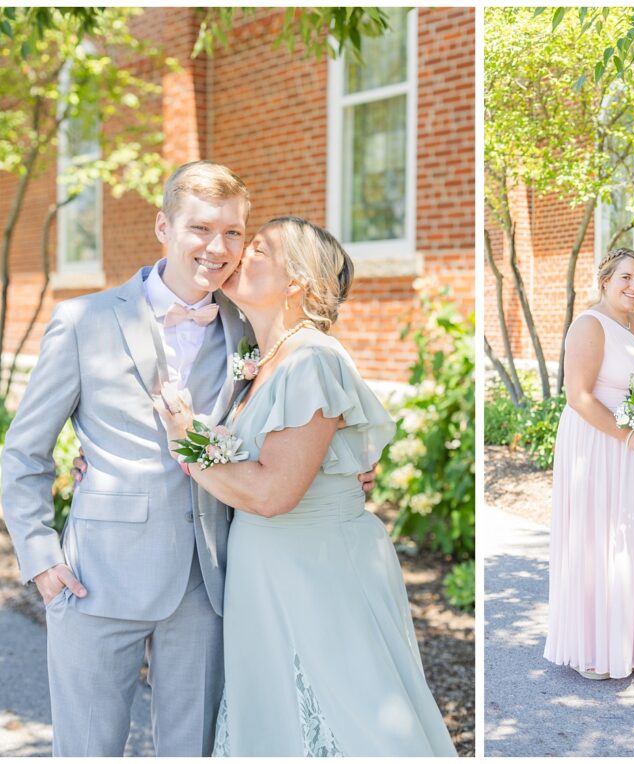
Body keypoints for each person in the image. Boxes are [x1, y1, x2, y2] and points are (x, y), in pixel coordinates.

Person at [0, 161, 372, 755]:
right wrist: (42, 560)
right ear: (163, 227)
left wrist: (340, 466)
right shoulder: (83, 321)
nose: (217, 248)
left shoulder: (249, 328)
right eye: (200, 229)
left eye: (233, 233)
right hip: (96, 577)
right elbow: (24, 452)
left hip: (209, 586)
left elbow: (295, 404)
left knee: (192, 751)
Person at [155, 216, 457, 756]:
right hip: (267, 570)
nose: (240, 254)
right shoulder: (260, 356)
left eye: (259, 249)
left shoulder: (311, 358)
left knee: (350, 713)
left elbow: (275, 493)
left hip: (318, 570)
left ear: (297, 282)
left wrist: (186, 444)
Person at [543, 247, 634, 680]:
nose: (633, 287)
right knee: (603, 536)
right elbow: (578, 396)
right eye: (625, 278)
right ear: (605, 280)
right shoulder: (588, 324)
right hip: (601, 445)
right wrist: (628, 436)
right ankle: (597, 646)